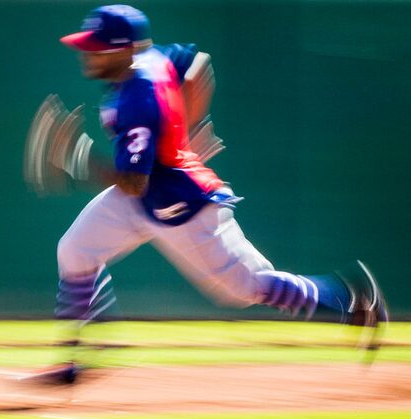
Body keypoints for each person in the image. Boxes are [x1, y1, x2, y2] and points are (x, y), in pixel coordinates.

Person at [23, 5, 388, 385]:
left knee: (249, 288)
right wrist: (186, 130)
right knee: (76, 250)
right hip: (143, 196)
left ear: (122, 50)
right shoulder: (152, 58)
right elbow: (197, 65)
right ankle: (78, 358)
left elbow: (134, 182)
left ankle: (351, 299)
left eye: (96, 47)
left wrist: (77, 159)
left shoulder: (139, 100)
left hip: (182, 209)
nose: (86, 53)